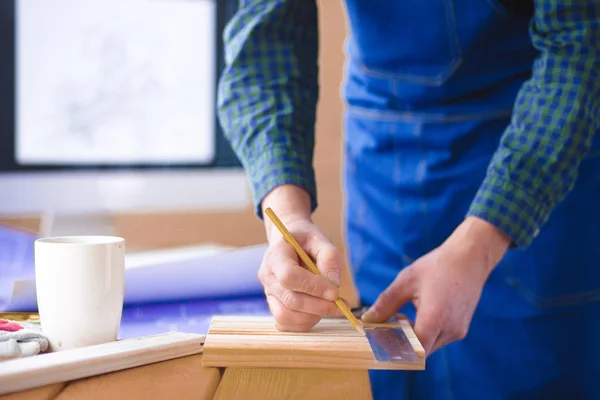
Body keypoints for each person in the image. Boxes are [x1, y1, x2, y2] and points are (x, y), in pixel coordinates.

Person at [217, 1, 600, 399]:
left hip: (538, 151)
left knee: (527, 373)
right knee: (394, 373)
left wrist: (482, 243)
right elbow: (263, 50)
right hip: (385, 157)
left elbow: (579, 47)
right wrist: (287, 217)